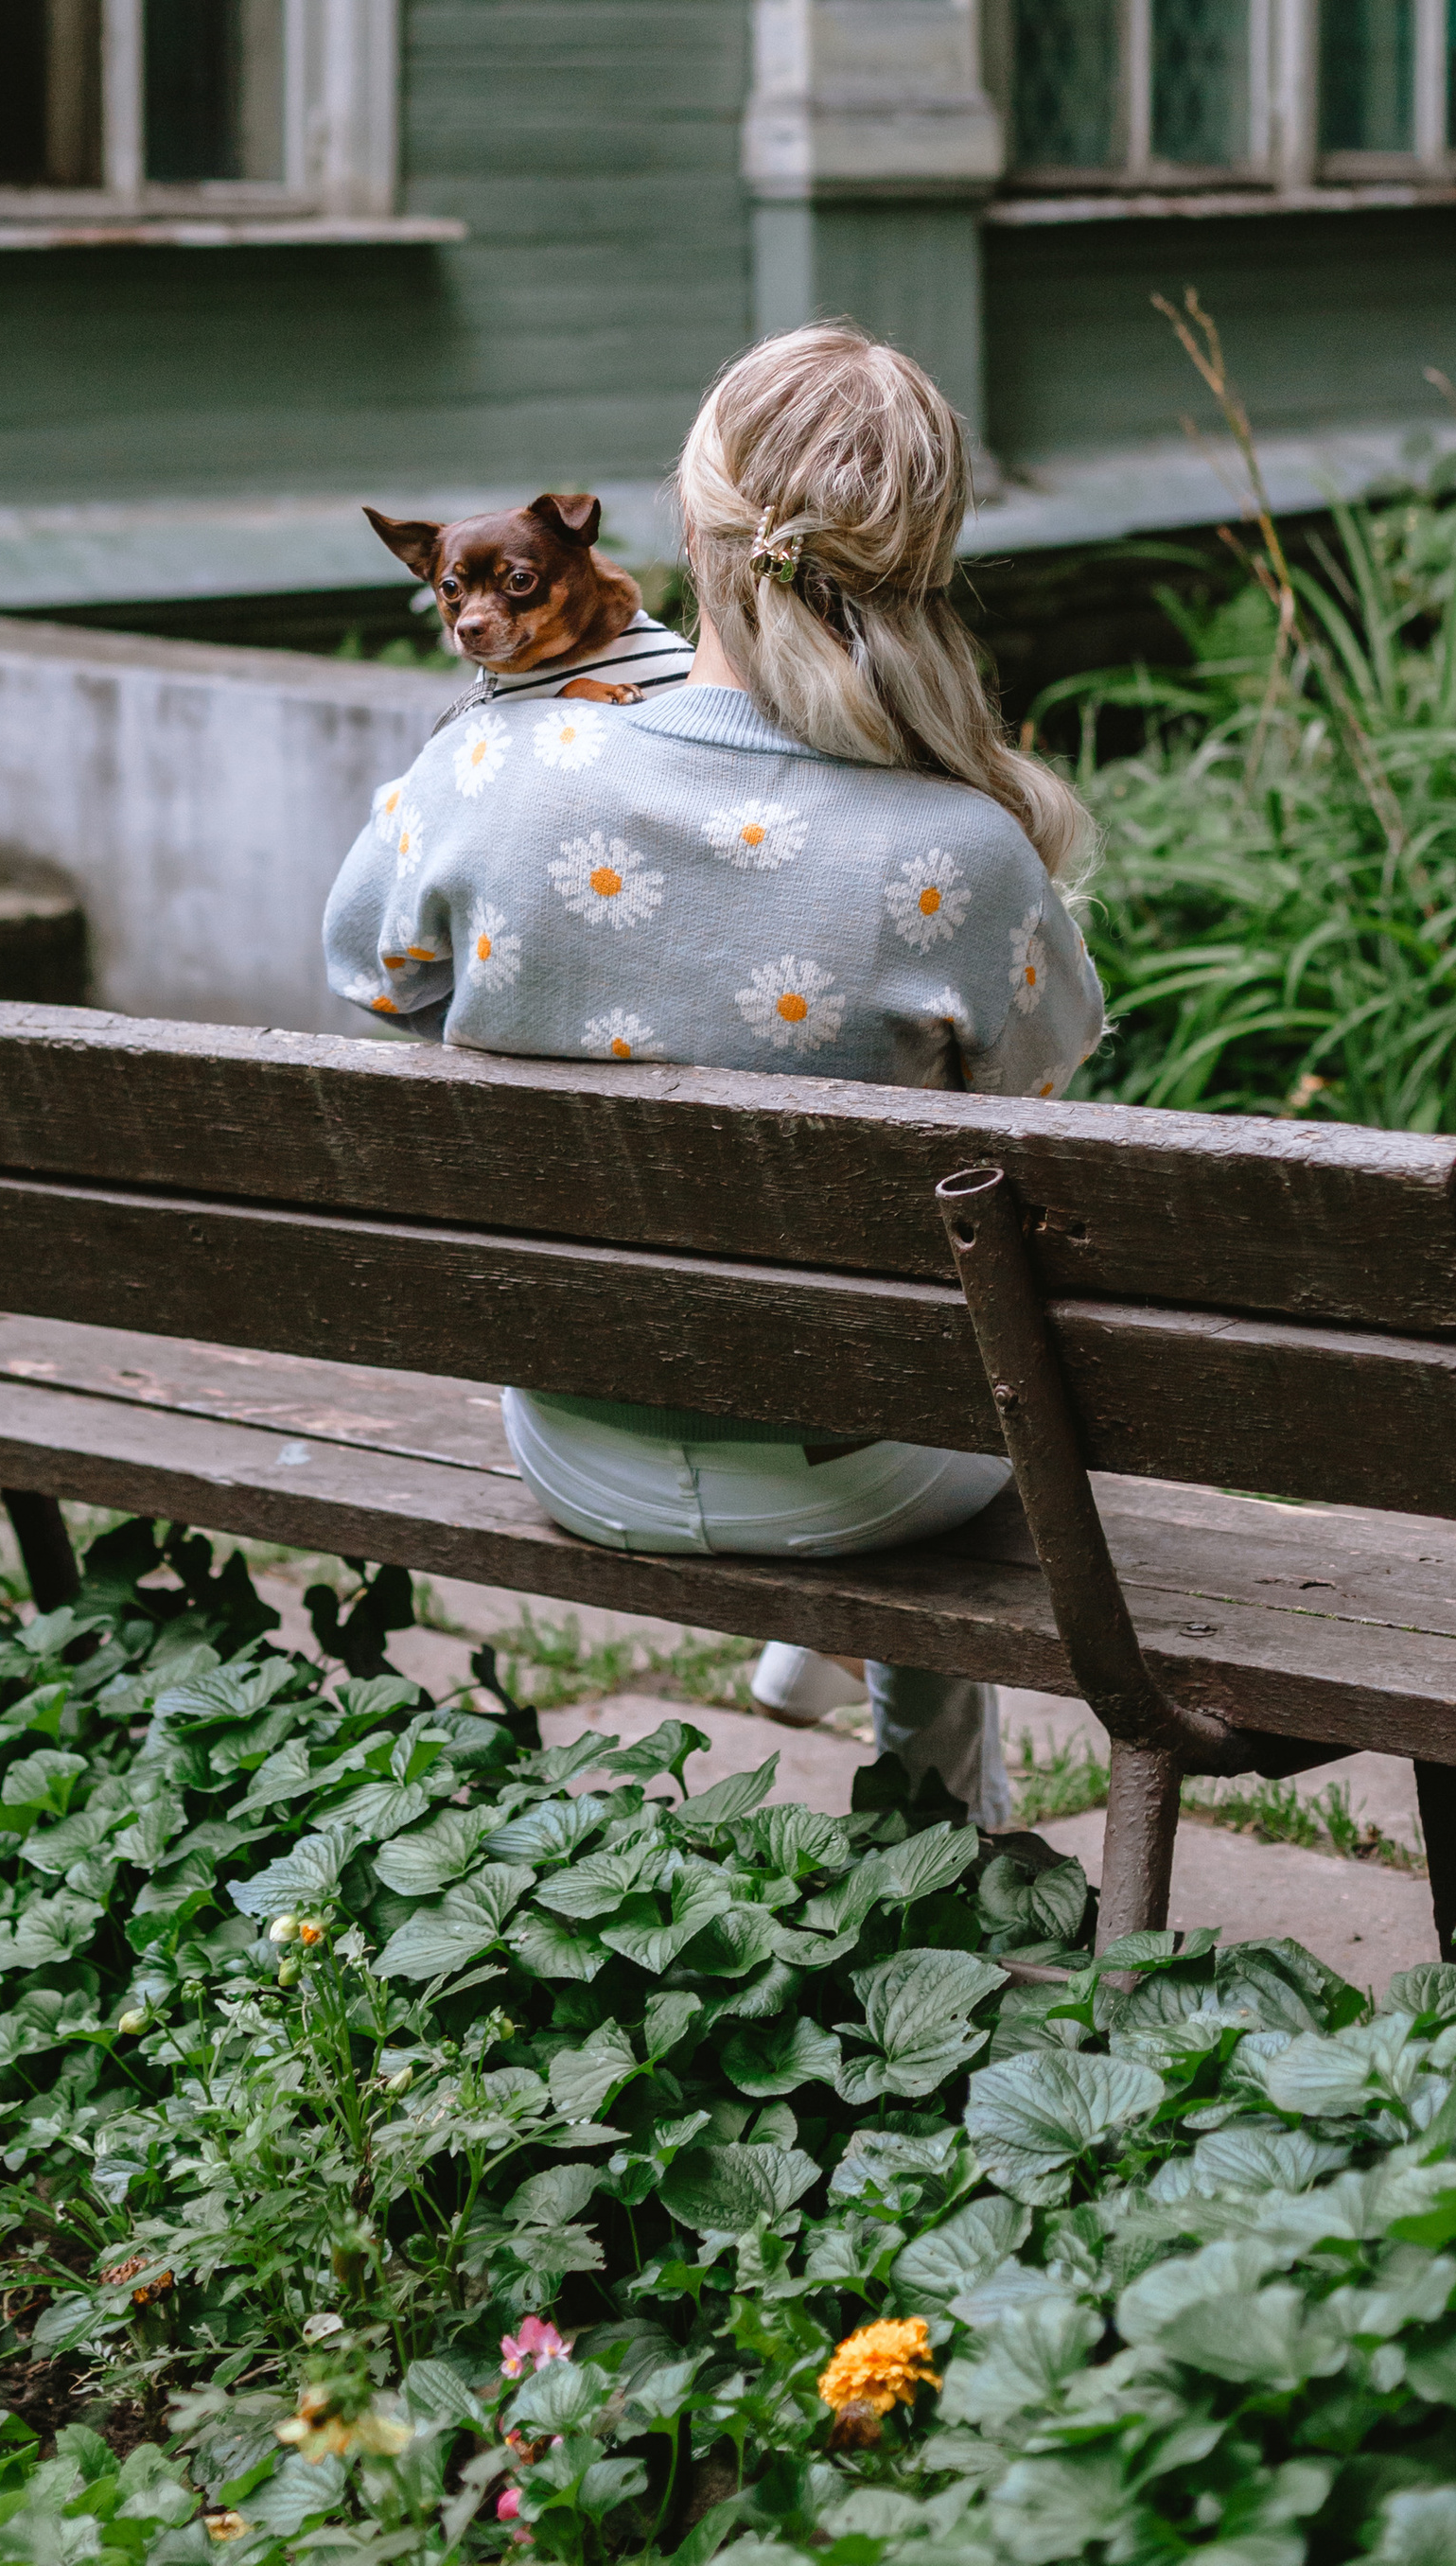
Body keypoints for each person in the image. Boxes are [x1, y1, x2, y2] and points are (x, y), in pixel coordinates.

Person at [321, 320, 1102, 1827]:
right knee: (960, 1328)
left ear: (691, 528)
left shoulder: (487, 773)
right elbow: (1035, 1118)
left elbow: (376, 976)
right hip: (868, 1472)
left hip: (582, 1430)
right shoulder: (968, 855)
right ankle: (941, 1826)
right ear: (929, 556)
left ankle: (828, 1660)